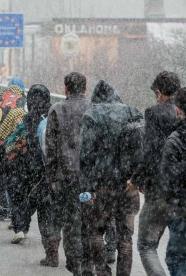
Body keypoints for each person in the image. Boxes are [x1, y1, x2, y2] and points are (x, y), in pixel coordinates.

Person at [79, 80, 143, 276]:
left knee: (96, 231)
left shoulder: (91, 114)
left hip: (102, 183)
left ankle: (102, 272)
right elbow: (141, 148)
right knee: (125, 237)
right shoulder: (132, 112)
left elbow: (86, 154)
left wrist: (88, 186)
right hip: (127, 183)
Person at [128, 71, 181, 276]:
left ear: (159, 92)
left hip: (160, 189)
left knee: (147, 246)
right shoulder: (182, 112)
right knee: (179, 252)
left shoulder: (154, 112)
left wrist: (137, 179)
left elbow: (150, 150)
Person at [42, 72, 90, 275]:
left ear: (65, 89)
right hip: (89, 176)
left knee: (69, 221)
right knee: (87, 221)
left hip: (65, 175)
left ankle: (74, 263)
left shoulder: (57, 110)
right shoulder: (93, 109)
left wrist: (52, 177)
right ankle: (86, 261)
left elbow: (50, 148)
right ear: (86, 88)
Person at [4, 84, 52, 244]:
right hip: (46, 166)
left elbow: (11, 141)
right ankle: (49, 240)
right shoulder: (53, 118)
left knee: (19, 195)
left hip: (25, 165)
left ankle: (20, 227)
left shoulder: (25, 119)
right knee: (43, 202)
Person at [161, 87, 186, 276]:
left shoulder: (175, 140)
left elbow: (168, 180)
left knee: (175, 259)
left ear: (178, 110)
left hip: (182, 209)